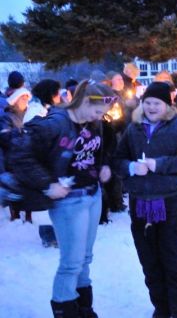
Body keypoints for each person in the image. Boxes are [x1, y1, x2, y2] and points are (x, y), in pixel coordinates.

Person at [7, 80, 114, 317]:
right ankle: (65, 310)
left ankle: (84, 309)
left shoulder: (94, 122)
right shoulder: (55, 123)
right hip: (69, 202)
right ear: (85, 101)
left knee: (85, 258)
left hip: (92, 195)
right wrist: (47, 184)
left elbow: (102, 147)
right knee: (72, 263)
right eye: (97, 111)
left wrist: (104, 165)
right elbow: (20, 154)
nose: (100, 117)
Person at [113, 81, 177, 318]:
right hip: (140, 204)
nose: (152, 107)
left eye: (157, 103)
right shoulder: (134, 128)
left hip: (172, 202)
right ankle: (162, 309)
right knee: (151, 263)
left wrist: (159, 164)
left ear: (167, 105)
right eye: (148, 102)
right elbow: (118, 160)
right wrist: (131, 167)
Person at [24, 80, 63, 246]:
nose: (59, 96)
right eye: (57, 93)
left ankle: (53, 234)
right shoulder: (36, 112)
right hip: (40, 161)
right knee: (43, 202)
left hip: (48, 159)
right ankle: (48, 236)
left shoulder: (44, 110)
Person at [1, 88, 33, 223]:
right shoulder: (7, 117)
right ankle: (15, 214)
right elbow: (3, 137)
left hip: (29, 156)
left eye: (27, 98)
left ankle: (28, 215)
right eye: (22, 98)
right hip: (12, 157)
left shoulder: (31, 114)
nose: (25, 101)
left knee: (29, 185)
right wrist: (21, 135)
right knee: (15, 186)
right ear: (15, 100)